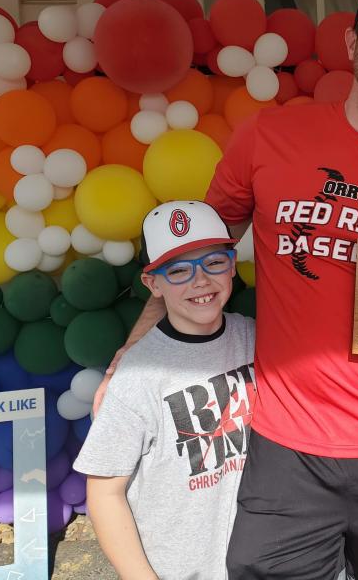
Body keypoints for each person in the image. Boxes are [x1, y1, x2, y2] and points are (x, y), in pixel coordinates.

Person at [95, 0, 358, 580]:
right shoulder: (269, 136)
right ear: (352, 42)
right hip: (286, 447)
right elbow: (195, 261)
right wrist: (135, 352)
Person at [74, 200, 255, 580]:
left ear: (232, 264)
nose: (200, 280)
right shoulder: (137, 375)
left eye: (214, 262)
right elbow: (105, 492)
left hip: (259, 559)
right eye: (178, 270)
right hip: (180, 569)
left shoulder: (256, 338)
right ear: (152, 282)